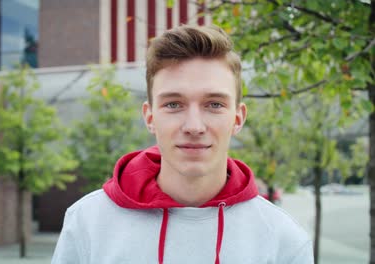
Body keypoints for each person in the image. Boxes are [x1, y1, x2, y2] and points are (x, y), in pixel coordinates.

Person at [51, 25, 313, 264]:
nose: (194, 126)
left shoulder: (284, 239)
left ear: (238, 118)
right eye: (173, 104)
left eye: (214, 104)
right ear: (150, 117)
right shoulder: (88, 222)